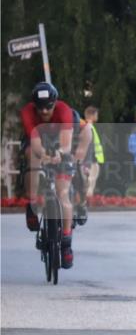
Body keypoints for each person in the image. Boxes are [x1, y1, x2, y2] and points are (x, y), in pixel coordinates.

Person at [20, 82, 92, 269]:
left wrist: (61, 154)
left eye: (48, 107)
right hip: (40, 140)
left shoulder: (65, 112)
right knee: (31, 158)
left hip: (70, 140)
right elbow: (35, 143)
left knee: (66, 189)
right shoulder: (28, 113)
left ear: (55, 103)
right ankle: (32, 203)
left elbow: (66, 144)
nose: (44, 111)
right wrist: (43, 155)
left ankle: (67, 243)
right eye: (40, 107)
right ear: (34, 105)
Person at [82, 107, 104, 199]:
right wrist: (90, 161)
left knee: (90, 182)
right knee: (90, 182)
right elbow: (90, 146)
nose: (97, 116)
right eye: (96, 114)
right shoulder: (89, 127)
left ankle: (86, 201)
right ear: (92, 115)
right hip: (92, 160)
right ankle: (87, 201)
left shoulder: (88, 126)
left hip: (93, 159)